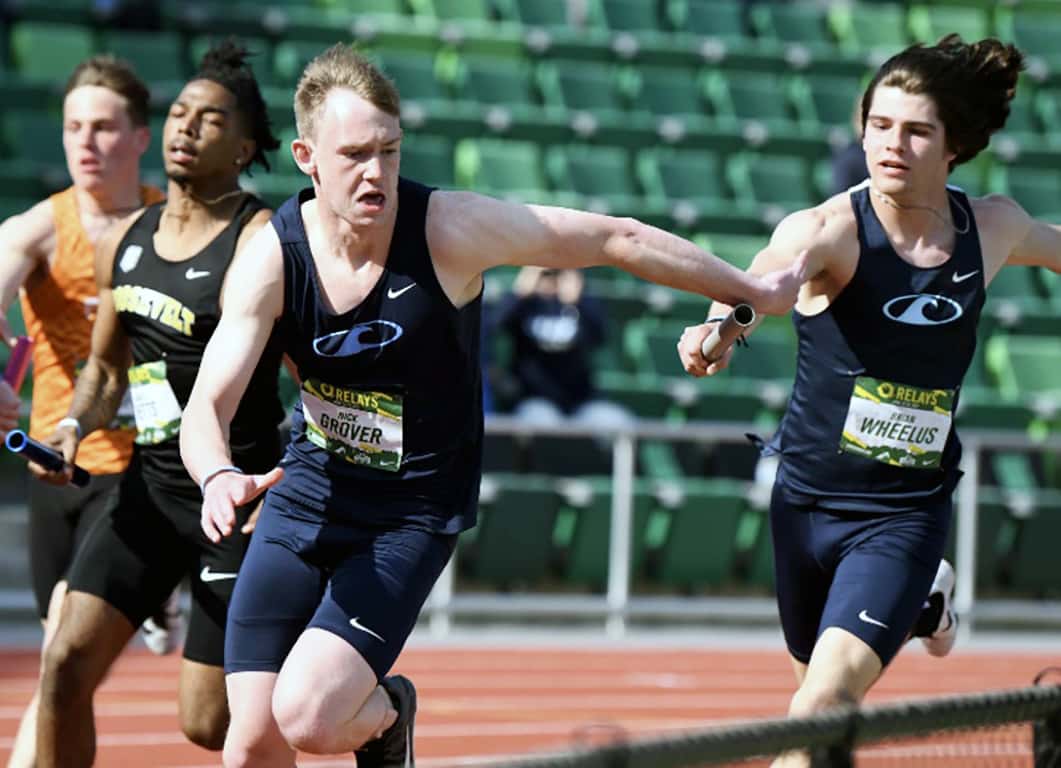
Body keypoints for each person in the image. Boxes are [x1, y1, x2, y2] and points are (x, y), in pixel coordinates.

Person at [178, 43, 808, 768]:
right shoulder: (272, 255)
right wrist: (217, 474)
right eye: (353, 154)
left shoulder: (446, 229)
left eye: (389, 150)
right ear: (305, 157)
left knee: (311, 719)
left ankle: (384, 721)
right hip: (306, 499)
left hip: (408, 513)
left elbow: (613, 238)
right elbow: (207, 407)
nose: (376, 171)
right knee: (247, 743)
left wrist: (743, 290)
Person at [676, 35, 1060, 767]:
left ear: (954, 145)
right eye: (878, 125)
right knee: (821, 727)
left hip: (903, 514)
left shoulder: (991, 228)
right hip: (805, 507)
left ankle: (913, 585)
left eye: (916, 131)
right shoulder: (827, 230)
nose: (891, 145)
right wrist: (721, 328)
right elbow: (764, 287)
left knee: (814, 714)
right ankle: (921, 603)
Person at [32, 41, 283, 767]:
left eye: (210, 120)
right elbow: (107, 370)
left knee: (208, 724)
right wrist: (75, 427)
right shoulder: (130, 238)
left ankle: (355, 699)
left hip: (231, 501)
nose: (185, 128)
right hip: (148, 489)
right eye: (179, 113)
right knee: (64, 664)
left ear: (243, 148)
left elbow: (302, 366)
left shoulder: (257, 240)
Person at [0, 55, 171, 768]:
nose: (86, 143)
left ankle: (168, 586)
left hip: (145, 469)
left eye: (104, 128)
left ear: (139, 137)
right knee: (61, 670)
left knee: (62, 654)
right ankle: (160, 603)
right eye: (74, 127)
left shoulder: (176, 228)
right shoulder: (39, 228)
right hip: (58, 466)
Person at [492, 265, 631, 429]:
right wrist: (521, 291)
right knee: (542, 423)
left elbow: (600, 337)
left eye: (558, 274)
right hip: (533, 398)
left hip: (580, 400)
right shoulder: (525, 305)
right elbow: (496, 326)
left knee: (619, 422)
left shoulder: (581, 305)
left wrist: (578, 301)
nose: (552, 279)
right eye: (546, 274)